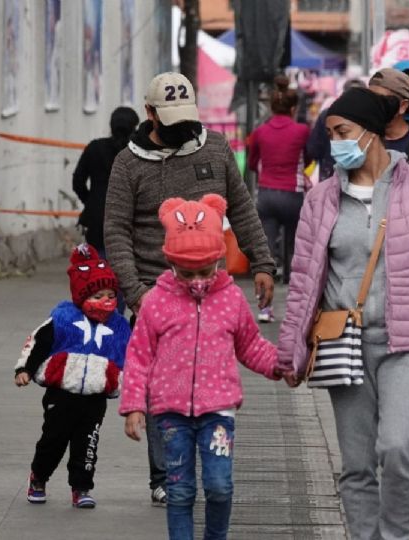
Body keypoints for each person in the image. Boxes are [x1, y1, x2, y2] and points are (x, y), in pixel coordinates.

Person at [276, 88, 409, 540]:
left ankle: (398, 535)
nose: (335, 143)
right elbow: (303, 281)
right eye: (331, 134)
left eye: (343, 132)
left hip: (408, 342)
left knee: (398, 446)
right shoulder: (321, 200)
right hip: (341, 343)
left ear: (371, 134)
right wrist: (290, 350)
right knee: (356, 462)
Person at [104, 71, 275, 507]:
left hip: (213, 288)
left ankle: (210, 467)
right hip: (154, 293)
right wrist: (137, 292)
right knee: (161, 384)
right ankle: (165, 474)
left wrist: (262, 262)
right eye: (170, 119)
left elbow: (241, 207)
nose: (183, 128)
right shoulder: (128, 164)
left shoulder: (215, 148)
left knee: (212, 377)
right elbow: (117, 232)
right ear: (149, 114)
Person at [120, 195, 285, 540]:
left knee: (219, 485)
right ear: (171, 262)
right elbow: (139, 354)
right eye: (186, 271)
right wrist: (134, 405)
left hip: (218, 411)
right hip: (170, 413)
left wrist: (281, 365)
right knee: (179, 492)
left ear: (218, 260)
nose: (196, 279)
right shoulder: (157, 301)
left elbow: (251, 345)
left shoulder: (230, 298)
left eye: (205, 270)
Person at [14, 244, 131, 509]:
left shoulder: (119, 327)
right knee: (52, 441)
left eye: (111, 295)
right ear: (82, 295)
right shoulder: (64, 318)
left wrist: (129, 386)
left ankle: (81, 488)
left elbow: (130, 358)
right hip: (61, 393)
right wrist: (25, 369)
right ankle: (39, 477)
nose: (106, 301)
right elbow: (39, 343)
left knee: (87, 445)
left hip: (95, 396)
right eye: (99, 294)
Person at [248, 75, 311, 303]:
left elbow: (252, 162)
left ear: (272, 107)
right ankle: (294, 297)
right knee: (295, 245)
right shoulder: (303, 131)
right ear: (293, 108)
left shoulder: (260, 132)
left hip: (267, 193)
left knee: (267, 252)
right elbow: (310, 156)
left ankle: (265, 306)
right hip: (293, 194)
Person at [73, 107, 140, 253]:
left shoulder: (94, 148)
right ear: (134, 127)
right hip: (130, 218)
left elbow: (77, 181)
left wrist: (91, 201)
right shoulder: (137, 152)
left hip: (97, 218)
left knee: (100, 268)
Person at [307, 78, 367, 182]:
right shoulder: (370, 118)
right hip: (361, 180)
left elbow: (314, 150)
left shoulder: (327, 115)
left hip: (330, 175)